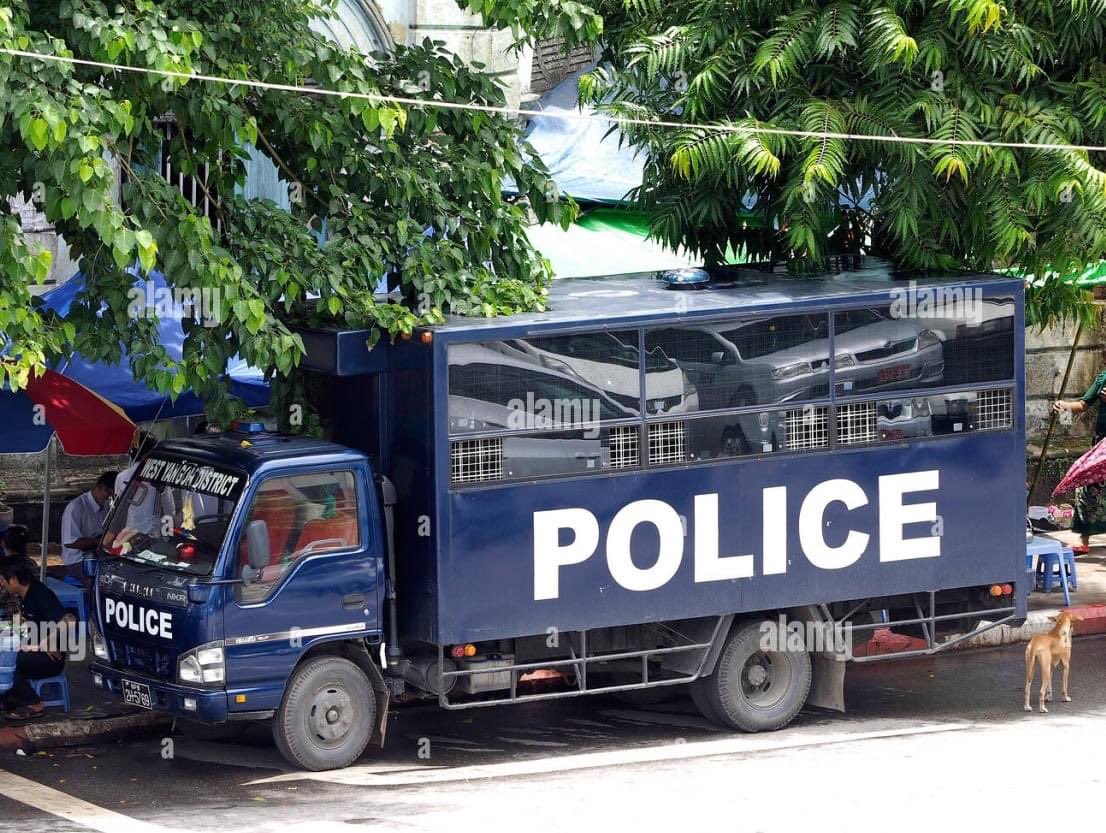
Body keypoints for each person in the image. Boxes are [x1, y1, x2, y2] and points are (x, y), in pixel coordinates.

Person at [0, 557, 70, 720]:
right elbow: (19, 627)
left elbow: (70, 620)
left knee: (8, 660)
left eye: (2, 580)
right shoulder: (23, 596)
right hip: (31, 649)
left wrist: (49, 640)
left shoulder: (40, 594)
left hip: (51, 658)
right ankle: (9, 700)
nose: (1, 584)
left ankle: (34, 703)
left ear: (14, 579)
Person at [1053, 373, 1106, 553]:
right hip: (1100, 446)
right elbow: (1083, 404)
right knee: (1088, 489)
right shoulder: (1103, 378)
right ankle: (1084, 540)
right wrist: (1065, 406)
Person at [59, 472, 116, 582]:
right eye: (109, 493)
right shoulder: (76, 508)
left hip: (99, 557)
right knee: (105, 582)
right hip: (78, 562)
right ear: (100, 487)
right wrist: (100, 541)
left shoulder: (106, 505)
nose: (110, 497)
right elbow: (71, 543)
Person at [115, 431, 175, 535]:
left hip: (128, 535)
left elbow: (118, 509)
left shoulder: (121, 477)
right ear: (150, 454)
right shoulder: (160, 478)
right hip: (153, 536)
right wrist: (168, 535)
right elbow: (169, 510)